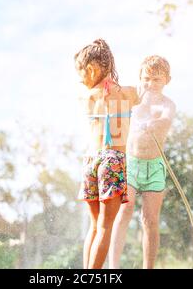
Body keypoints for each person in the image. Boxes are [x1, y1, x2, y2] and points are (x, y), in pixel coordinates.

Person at [75, 39, 138, 269]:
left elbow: (97, 94)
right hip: (112, 160)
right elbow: (143, 94)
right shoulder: (128, 94)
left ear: (91, 70)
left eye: (80, 73)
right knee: (105, 226)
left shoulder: (86, 97)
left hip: (91, 161)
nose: (80, 79)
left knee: (94, 226)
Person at [109, 55, 176, 269]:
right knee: (124, 212)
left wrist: (153, 123)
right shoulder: (133, 98)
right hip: (131, 164)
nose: (151, 84)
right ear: (140, 78)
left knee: (150, 220)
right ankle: (114, 267)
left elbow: (166, 118)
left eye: (157, 79)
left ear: (167, 80)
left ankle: (149, 268)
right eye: (147, 78)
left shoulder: (167, 104)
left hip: (155, 167)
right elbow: (114, 95)